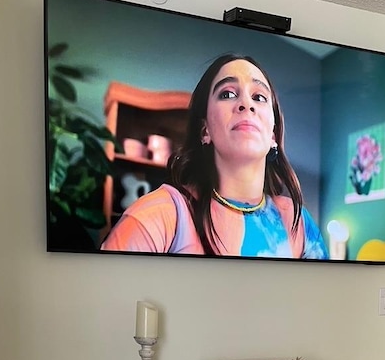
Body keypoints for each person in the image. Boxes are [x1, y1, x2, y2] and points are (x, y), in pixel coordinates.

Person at [101, 54, 328, 259]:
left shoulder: (300, 224)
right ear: (205, 130)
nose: (246, 104)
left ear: (273, 135)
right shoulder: (161, 213)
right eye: (227, 93)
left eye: (259, 97)